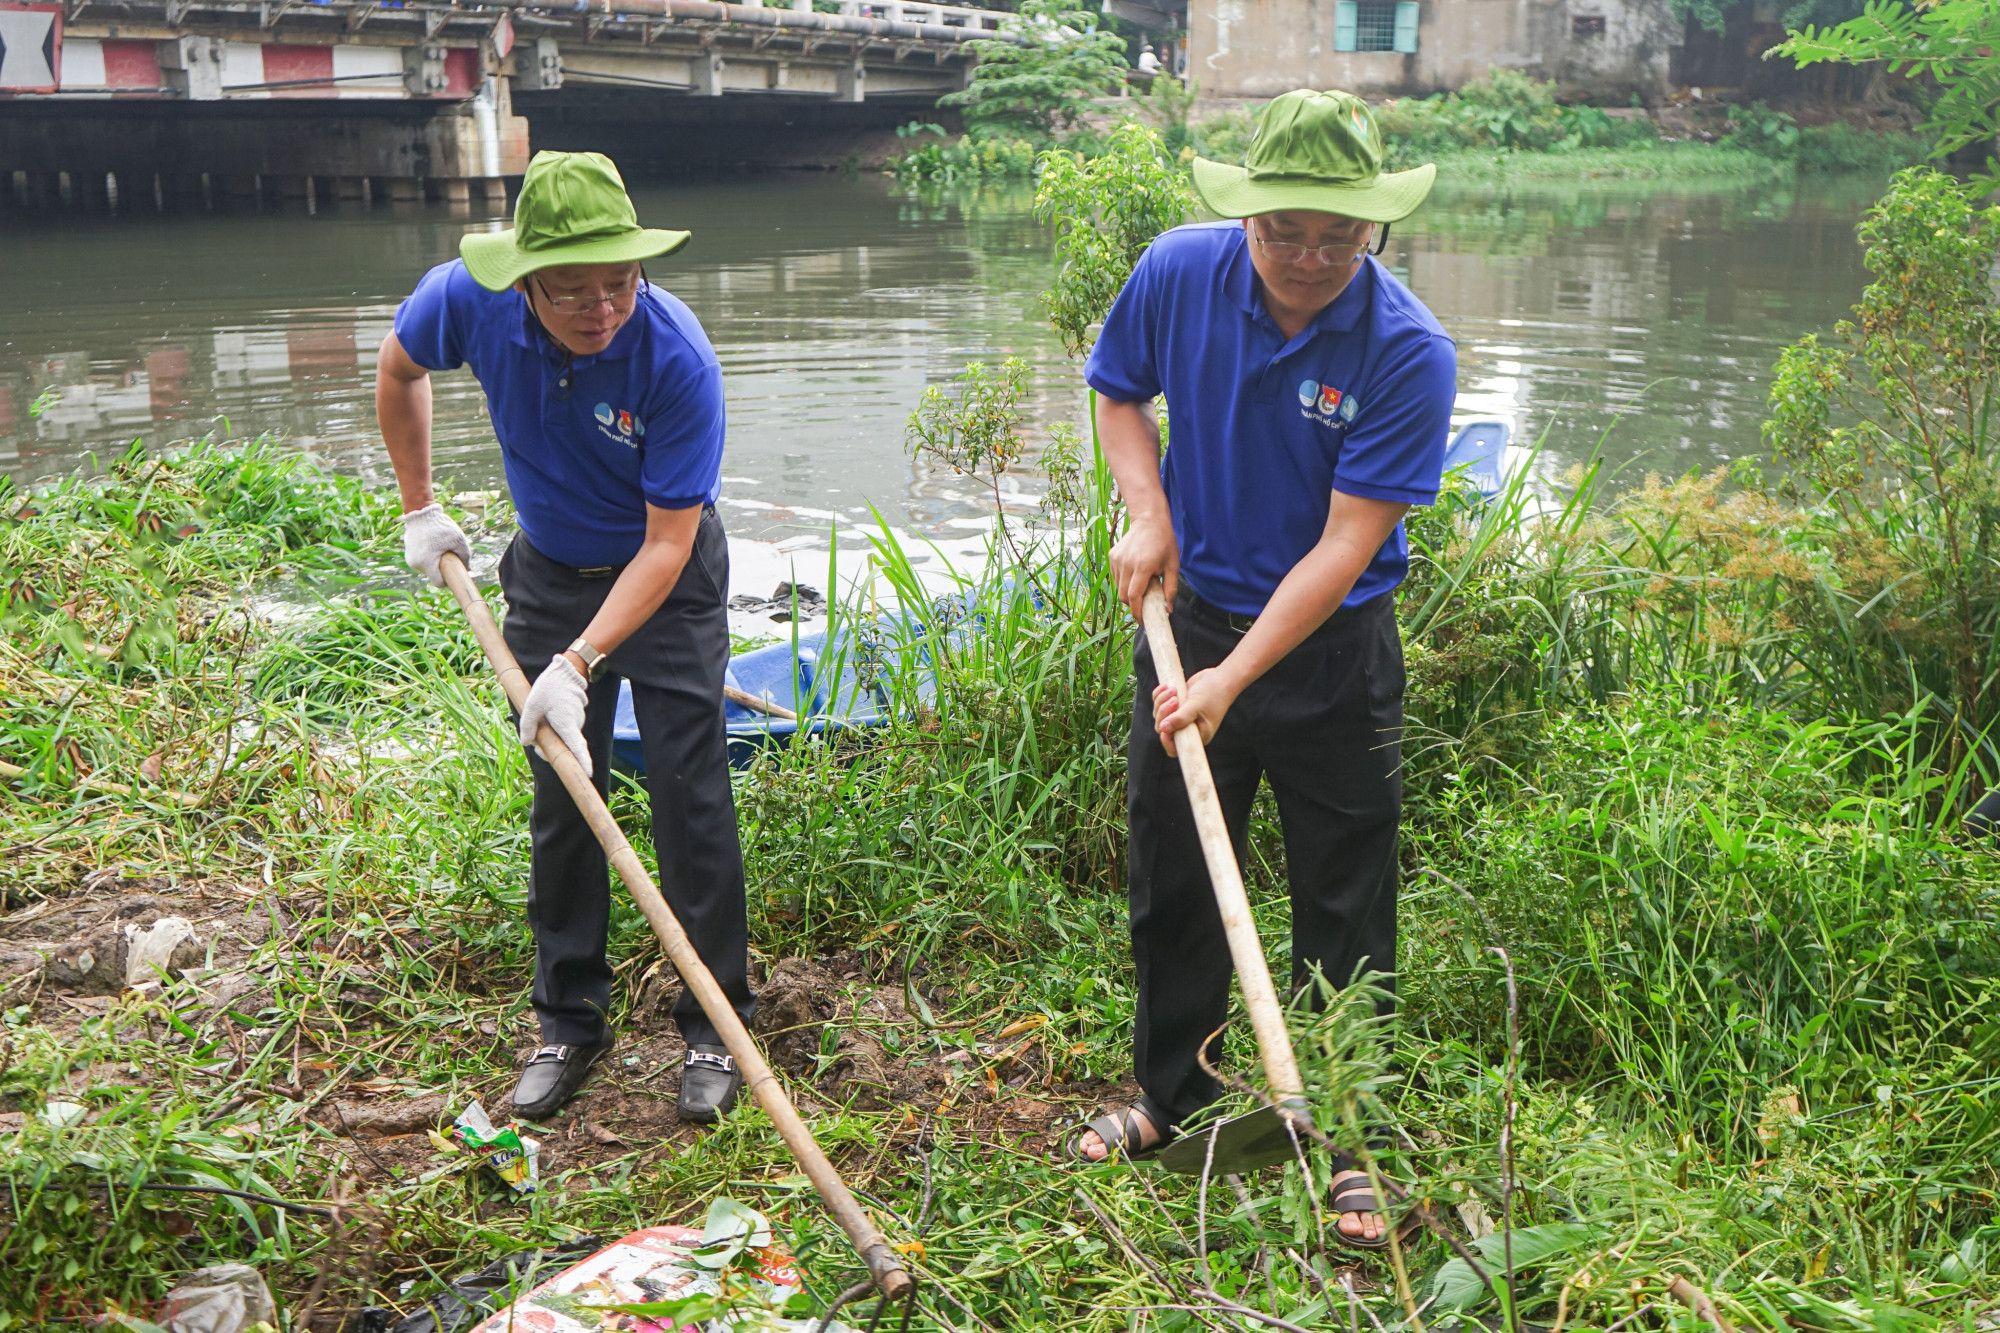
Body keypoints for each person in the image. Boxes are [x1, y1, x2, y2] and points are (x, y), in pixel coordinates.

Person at [1074, 90, 1456, 1250]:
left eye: (1337, 235)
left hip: (1330, 649)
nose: (1308, 257)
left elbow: (1345, 547)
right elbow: (1117, 392)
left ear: (1371, 231)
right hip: (1191, 617)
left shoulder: (1405, 351)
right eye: (1284, 229)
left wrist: (1230, 678)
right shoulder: (1177, 272)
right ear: (1245, 216)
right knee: (1175, 870)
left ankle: (1351, 1134)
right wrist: (1148, 514)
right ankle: (1169, 1092)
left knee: (1344, 892)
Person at [376, 150, 752, 1124]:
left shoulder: (675, 358)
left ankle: (716, 1025)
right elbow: (398, 364)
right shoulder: (467, 300)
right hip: (546, 569)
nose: (601, 309)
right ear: (523, 280)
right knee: (565, 801)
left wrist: (578, 664)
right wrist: (419, 508)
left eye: (619, 282)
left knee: (689, 797)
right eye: (572, 290)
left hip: (663, 582)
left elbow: (668, 546)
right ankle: (567, 1020)